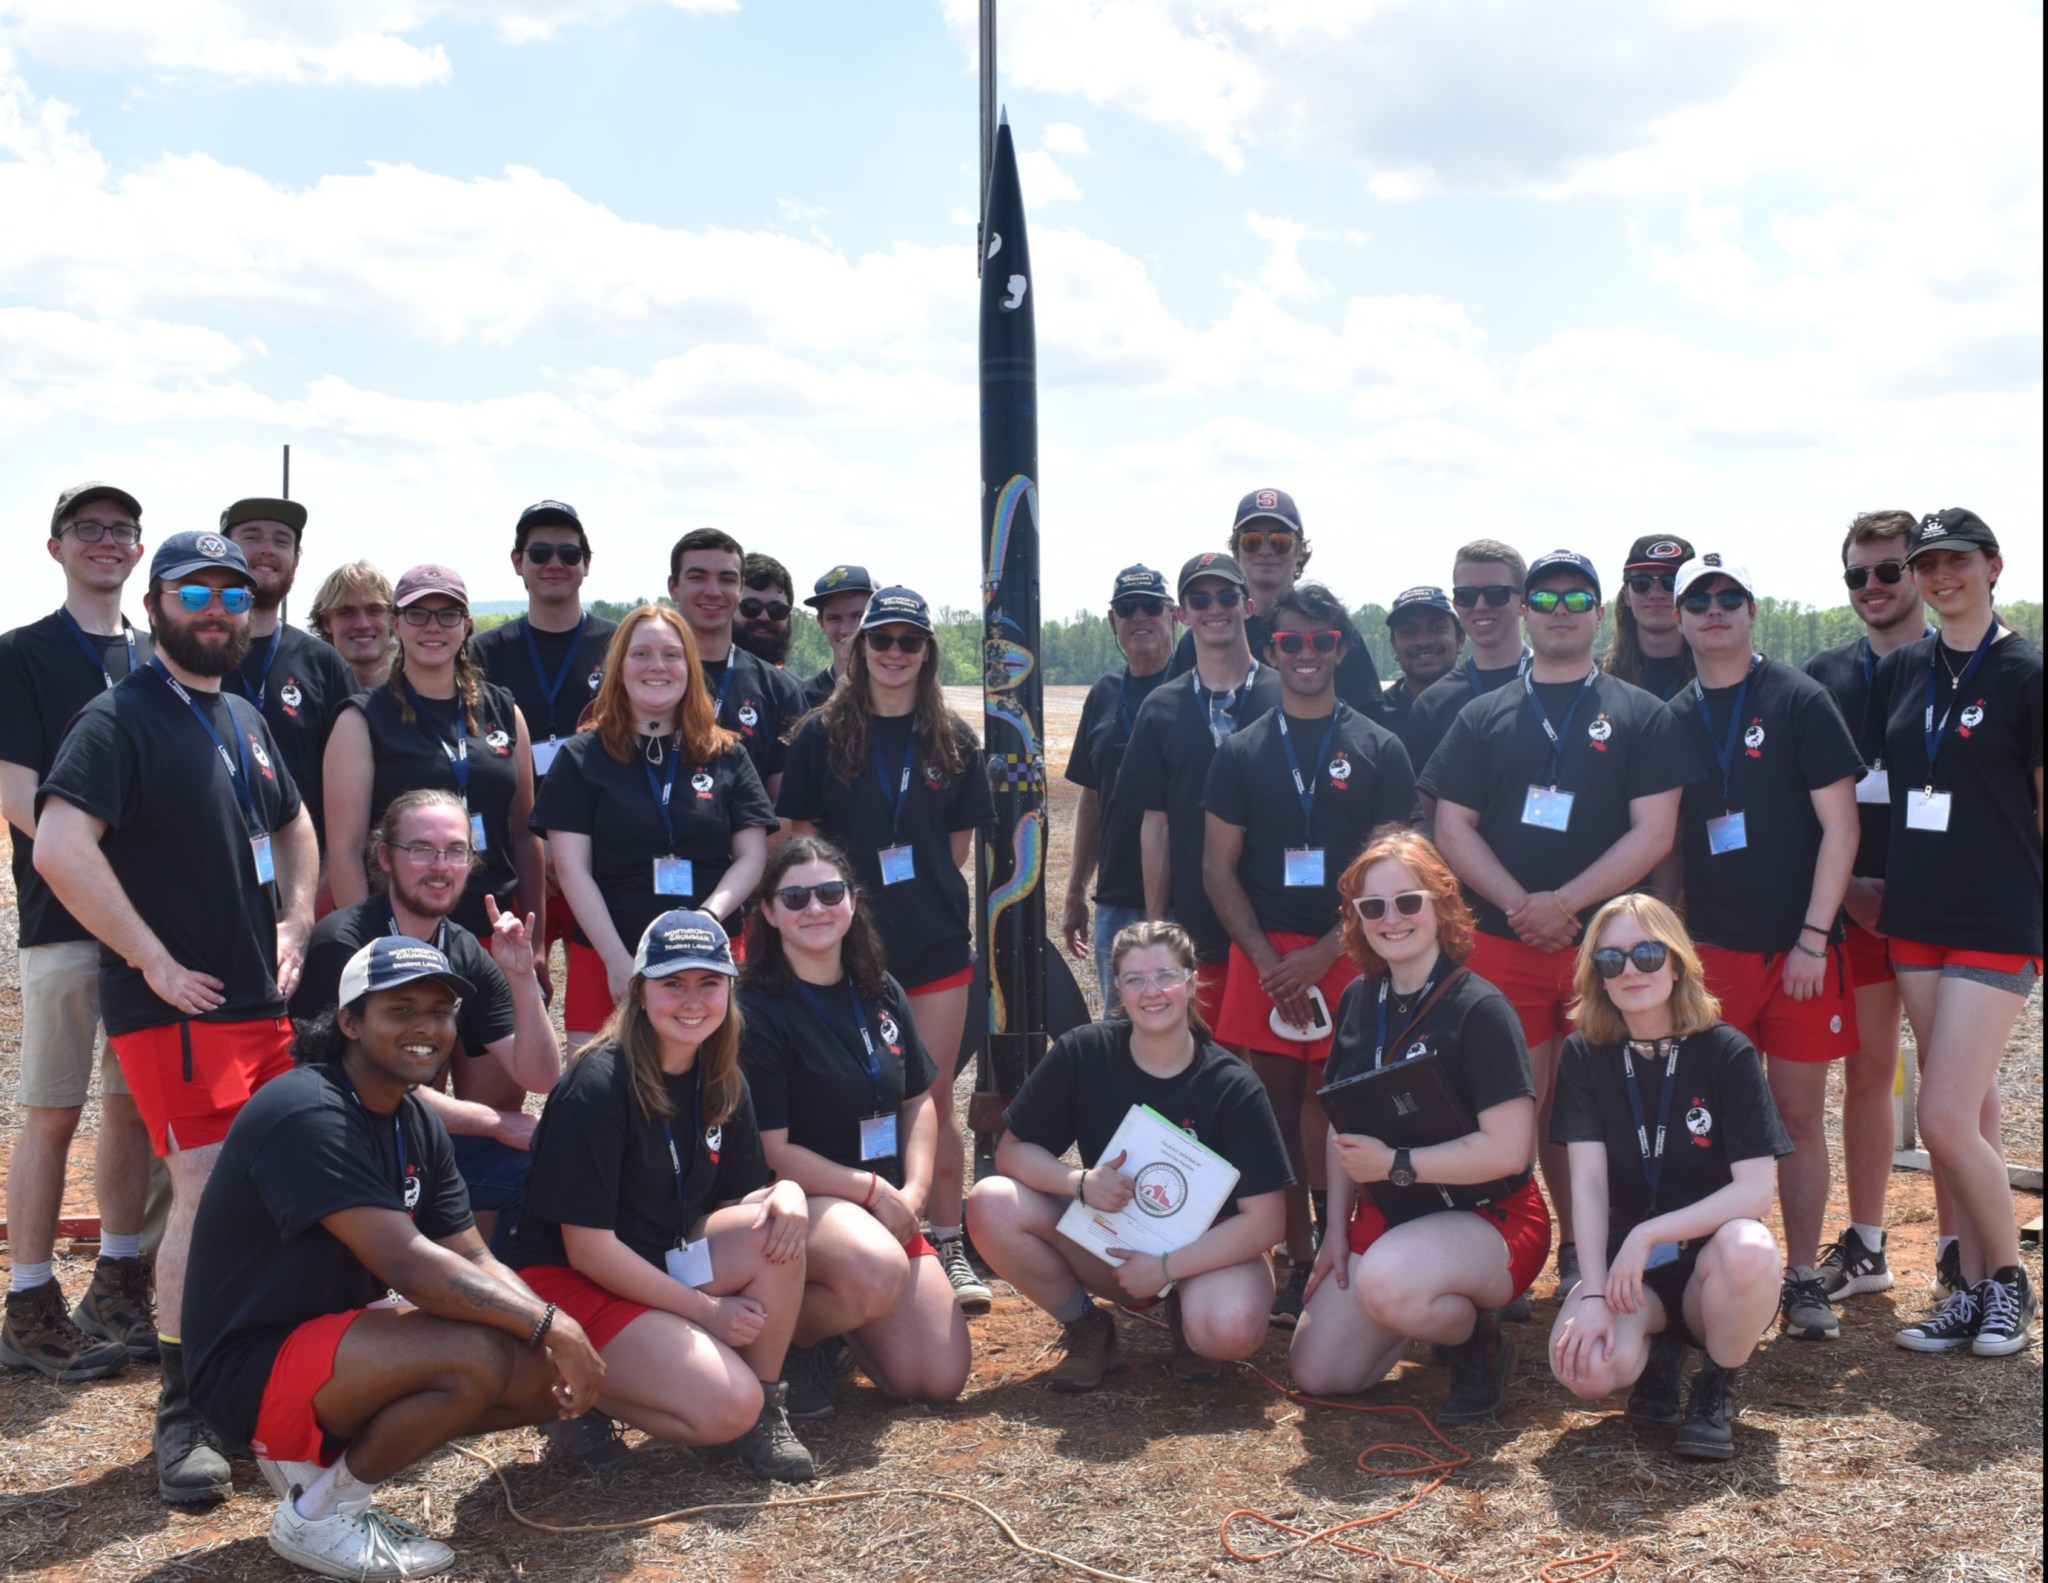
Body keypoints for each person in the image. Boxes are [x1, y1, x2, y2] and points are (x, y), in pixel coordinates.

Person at [34, 529, 318, 1503]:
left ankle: (255, 1383)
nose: (215, 606)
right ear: (156, 602)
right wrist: (150, 954)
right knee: (204, 1190)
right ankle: (185, 1411)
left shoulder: (240, 712)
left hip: (257, 999)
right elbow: (60, 846)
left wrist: (298, 916)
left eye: (232, 592)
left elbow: (294, 824)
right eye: (195, 588)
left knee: (270, 1192)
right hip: (180, 1010)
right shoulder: (117, 719)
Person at [183, 936, 605, 1579]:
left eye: (439, 1011)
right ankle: (321, 1514)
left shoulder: (413, 1117)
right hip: (249, 1365)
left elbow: (472, 1255)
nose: (426, 1027)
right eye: (400, 1009)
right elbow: (411, 1266)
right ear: (349, 1022)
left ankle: (317, 1462)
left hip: (333, 1341)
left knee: (540, 1377)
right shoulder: (309, 1110)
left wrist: (547, 1327)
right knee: (478, 1356)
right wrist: (556, 1324)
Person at [1422, 549, 1699, 1296]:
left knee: (1615, 1102)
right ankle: (1504, 1253)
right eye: (1545, 596)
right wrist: (1523, 904)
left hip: (1609, 954)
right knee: (1511, 1104)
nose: (1560, 609)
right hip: (1505, 947)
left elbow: (1655, 832)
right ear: (1524, 610)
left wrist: (1567, 903)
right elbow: (1452, 826)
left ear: (1600, 613)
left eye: (1578, 597)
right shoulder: (1482, 715)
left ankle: (1596, 1247)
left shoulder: (1640, 713)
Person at [511, 910, 817, 1481]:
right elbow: (588, 1250)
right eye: (672, 983)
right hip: (572, 1281)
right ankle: (568, 1385)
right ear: (639, 991)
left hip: (659, 1258)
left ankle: (765, 1410)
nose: (692, 1000)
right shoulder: (597, 1083)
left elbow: (736, 1200)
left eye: (709, 982)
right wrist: (708, 1313)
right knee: (726, 1403)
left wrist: (788, 1192)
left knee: (777, 1227)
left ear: (730, 988)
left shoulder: (722, 1073)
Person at [1202, 582, 1420, 1324]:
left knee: (1347, 1112)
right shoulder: (1241, 751)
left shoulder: (1378, 746)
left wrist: (1333, 949)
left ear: (1341, 649)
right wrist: (1270, 962)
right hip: (1263, 957)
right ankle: (1298, 1262)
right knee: (1272, 1114)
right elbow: (1216, 868)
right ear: (1270, 649)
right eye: (1290, 642)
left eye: (1321, 642)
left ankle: (1350, 1249)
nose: (1305, 654)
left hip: (1353, 949)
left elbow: (1397, 864)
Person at [1661, 555, 1861, 1343]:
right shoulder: (1673, 715)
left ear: (1751, 610)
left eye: (1728, 597)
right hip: (1713, 953)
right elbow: (1669, 841)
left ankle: (1805, 1274)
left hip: (1798, 950)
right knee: (1707, 1117)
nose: (1714, 609)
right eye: (1698, 600)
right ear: (1678, 620)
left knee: (1799, 1115)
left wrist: (1814, 936)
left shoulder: (1798, 699)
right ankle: (1715, 1264)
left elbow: (1842, 828)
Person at [777, 590, 995, 1309]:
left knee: (930, 1096)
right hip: (838, 951)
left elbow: (956, 848)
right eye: (882, 639)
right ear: (861, 646)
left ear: (927, 651)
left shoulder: (955, 741)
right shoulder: (819, 734)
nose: (895, 653)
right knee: (837, 1100)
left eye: (910, 641)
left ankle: (946, 1238)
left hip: (933, 946)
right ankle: (857, 1235)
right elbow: (801, 837)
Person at [965, 920, 1291, 1390]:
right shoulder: (1085, 1052)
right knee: (992, 1202)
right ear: (1117, 986)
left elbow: (1266, 1222)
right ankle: (1087, 1327)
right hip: (1112, 1238)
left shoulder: (1232, 1085)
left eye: (1165, 975)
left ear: (1192, 981)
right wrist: (1079, 1182)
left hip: (1205, 1253)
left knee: (1228, 1334)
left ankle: (1187, 1310)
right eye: (1134, 978)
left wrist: (1166, 1269)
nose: (1151, 991)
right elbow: (1014, 1153)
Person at [1289, 831, 1545, 1423]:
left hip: (1490, 1216)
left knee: (1387, 1282)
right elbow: (1340, 1125)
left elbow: (1508, 1151)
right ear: (1355, 917)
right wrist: (1333, 1231)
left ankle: (1475, 1339)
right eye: (1372, 907)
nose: (1392, 919)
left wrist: (1398, 1165)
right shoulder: (1358, 997)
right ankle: (1419, 1304)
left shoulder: (1481, 1009)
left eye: (1408, 901)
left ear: (1441, 902)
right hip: (1393, 1217)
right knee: (1319, 1373)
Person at [1869, 509, 2041, 1357]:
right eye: (1927, 564)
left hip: (1996, 917)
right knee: (1968, 1108)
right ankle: (1969, 1289)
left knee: (1939, 1114)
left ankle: (2009, 1282)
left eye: (1957, 561)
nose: (1941, 577)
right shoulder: (1904, 669)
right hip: (1917, 916)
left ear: (1993, 566)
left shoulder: (2026, 671)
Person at [0, 481, 158, 1381]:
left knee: (132, 1104)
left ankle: (119, 1281)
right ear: (55, 546)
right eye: (88, 528)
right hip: (65, 918)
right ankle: (27, 1302)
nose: (107, 541)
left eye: (122, 529)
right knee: (53, 1110)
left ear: (139, 551)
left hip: (143, 926)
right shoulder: (21, 654)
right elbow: (21, 799)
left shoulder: (153, 659)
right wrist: (110, 866)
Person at [1547, 894, 1789, 1461]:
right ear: (1598, 978)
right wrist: (1595, 1289)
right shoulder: (1583, 1053)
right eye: (1611, 961)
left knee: (1750, 1246)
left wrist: (1649, 1233)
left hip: (1713, 1271)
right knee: (1585, 1374)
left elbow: (1756, 1192)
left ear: (1677, 963)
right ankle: (1657, 1351)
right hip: (1633, 1277)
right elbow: (1587, 1183)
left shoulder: (1728, 1051)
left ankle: (1716, 1384)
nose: (1631, 970)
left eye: (1648, 954)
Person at [738, 838, 972, 1414]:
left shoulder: (880, 988)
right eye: (794, 896)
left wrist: (912, 1194)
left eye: (828, 892)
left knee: (937, 1379)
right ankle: (799, 1338)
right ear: (768, 911)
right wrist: (872, 1192)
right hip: (801, 1198)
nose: (814, 907)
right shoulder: (755, 1010)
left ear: (850, 902)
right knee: (875, 1269)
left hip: (884, 1203)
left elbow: (919, 1101)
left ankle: (842, 1321)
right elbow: (775, 1151)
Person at [291, 791, 563, 1256]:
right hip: (342, 1150)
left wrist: (520, 979)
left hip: (415, 1141)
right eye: (421, 849)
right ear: (385, 858)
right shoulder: (344, 943)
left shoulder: (464, 949)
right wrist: (496, 1122)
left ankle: (503, 1303)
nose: (440, 866)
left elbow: (539, 1076)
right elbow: (356, 1085)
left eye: (455, 851)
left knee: (548, 1170)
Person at [533, 605, 776, 1051]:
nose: (657, 666)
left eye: (671, 654)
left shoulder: (727, 754)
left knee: (716, 1092)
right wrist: (615, 960)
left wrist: (706, 919)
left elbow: (752, 855)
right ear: (619, 668)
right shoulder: (582, 756)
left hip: (708, 957)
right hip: (608, 952)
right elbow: (571, 870)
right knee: (601, 1093)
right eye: (641, 654)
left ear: (690, 668)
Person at [1800, 509, 1930, 1305]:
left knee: (1956, 1086)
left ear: (1920, 571)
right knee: (1871, 1072)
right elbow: (1800, 804)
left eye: (1889, 569)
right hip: (1859, 908)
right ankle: (1870, 1242)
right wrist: (1848, 890)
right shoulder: (1822, 675)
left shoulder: (1961, 666)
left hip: (1942, 912)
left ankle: (1968, 1255)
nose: (1874, 586)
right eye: (1859, 574)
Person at [323, 564, 545, 946]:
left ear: (467, 624)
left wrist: (536, 941)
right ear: (396, 623)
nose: (433, 626)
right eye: (417, 614)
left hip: (494, 930)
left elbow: (525, 836)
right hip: (403, 934)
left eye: (448, 614)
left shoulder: (505, 711)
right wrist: (373, 946)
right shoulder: (361, 719)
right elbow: (345, 849)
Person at [1114, 553, 1283, 1025]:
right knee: (1202, 1065)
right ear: (1182, 614)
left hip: (1277, 930)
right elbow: (1156, 826)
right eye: (1200, 598)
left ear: (1247, 605)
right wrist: (1155, 927)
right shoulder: (1161, 707)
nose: (1215, 608)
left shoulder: (1284, 695)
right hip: (1196, 930)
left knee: (1274, 1076)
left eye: (1227, 595)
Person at [1060, 564, 1177, 1010]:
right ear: (1113, 621)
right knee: (1121, 1026)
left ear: (1173, 616)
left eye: (1152, 606)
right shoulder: (1104, 694)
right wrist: (1075, 891)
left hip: (1185, 899)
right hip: (1116, 898)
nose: (1139, 617)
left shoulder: (1194, 688)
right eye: (1127, 608)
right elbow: (1091, 799)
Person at [219, 497, 358, 872]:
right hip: (208, 879)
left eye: (282, 541)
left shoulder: (323, 664)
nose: (267, 549)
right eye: (252, 537)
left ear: (296, 559)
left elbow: (354, 791)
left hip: (304, 880)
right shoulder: (195, 654)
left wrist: (326, 886)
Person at [1167, 489, 1387, 719]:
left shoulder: (1331, 630)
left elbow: (1368, 720)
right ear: (1236, 550)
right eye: (1251, 541)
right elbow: (1169, 712)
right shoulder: (1203, 636)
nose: (1265, 550)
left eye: (1279, 541)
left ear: (1300, 551)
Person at [470, 501, 616, 781]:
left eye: (569, 555)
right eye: (539, 554)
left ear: (586, 563)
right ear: (517, 562)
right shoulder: (483, 653)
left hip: (601, 813)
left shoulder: (622, 644)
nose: (555, 564)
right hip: (514, 812)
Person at [667, 528, 807, 804]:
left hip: (751, 846)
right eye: (697, 577)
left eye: (726, 579)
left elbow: (788, 810)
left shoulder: (781, 691)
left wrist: (748, 850)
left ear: (740, 588)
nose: (713, 591)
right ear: (673, 587)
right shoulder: (642, 677)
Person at [1400, 539, 1532, 781]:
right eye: (1467, 596)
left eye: (1495, 594)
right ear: (1456, 604)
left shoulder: (1557, 683)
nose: (1480, 606)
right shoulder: (1432, 705)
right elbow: (1417, 809)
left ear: (1523, 601)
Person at [1601, 536, 1697, 701]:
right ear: (1627, 596)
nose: (1656, 593)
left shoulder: (1716, 675)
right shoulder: (1597, 675)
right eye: (1641, 582)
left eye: (1671, 582)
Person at [1381, 585, 1464, 739]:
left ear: (1460, 639)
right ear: (1394, 645)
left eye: (1437, 628)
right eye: (1408, 631)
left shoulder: (1484, 706)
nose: (1423, 641)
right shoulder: (1375, 717)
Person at [306, 561, 396, 692]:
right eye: (346, 612)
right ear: (327, 622)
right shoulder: (307, 702)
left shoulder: (422, 698)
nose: (362, 624)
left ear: (392, 619)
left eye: (374, 610)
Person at [799, 563, 877, 709]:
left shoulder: (899, 696)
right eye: (834, 618)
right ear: (821, 623)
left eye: (858, 617)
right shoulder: (803, 699)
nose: (846, 630)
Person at [735, 551, 796, 667]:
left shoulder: (797, 685)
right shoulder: (695, 680)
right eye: (751, 607)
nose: (764, 617)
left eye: (777, 610)